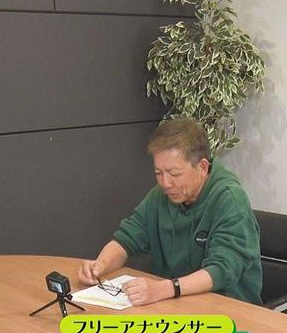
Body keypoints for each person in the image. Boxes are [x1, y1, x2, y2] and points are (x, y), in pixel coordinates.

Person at [79, 118, 262, 306]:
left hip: (228, 309)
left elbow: (221, 270)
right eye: (158, 173)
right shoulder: (161, 196)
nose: (165, 183)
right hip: (174, 304)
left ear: (202, 167)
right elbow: (126, 240)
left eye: (174, 174)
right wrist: (100, 265)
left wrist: (164, 289)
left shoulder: (230, 199)